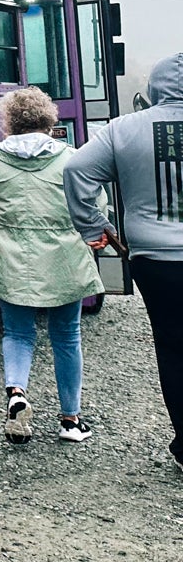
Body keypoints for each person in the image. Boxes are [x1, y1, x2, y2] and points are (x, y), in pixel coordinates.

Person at [64, 52, 183, 471]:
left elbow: (77, 168)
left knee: (173, 347)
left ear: (154, 88)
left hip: (155, 258)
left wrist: (94, 226)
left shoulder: (124, 128)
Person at [0, 86, 102, 444]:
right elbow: (95, 204)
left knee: (17, 334)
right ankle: (71, 421)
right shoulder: (72, 158)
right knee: (66, 336)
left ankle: (16, 394)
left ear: (9, 121)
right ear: (49, 120)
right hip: (65, 260)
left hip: (10, 258)